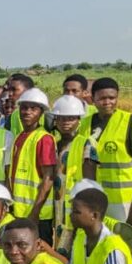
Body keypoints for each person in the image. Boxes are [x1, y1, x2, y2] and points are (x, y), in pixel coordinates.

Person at [78, 78, 132, 224]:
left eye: (112, 98)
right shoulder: (84, 124)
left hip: (123, 202)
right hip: (93, 200)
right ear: (93, 99)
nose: (107, 102)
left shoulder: (130, 122)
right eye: (102, 98)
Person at [9, 88, 56, 245]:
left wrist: (35, 213)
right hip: (20, 212)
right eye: (24, 107)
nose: (27, 112)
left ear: (41, 112)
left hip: (38, 216)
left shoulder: (44, 139)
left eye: (33, 108)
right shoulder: (20, 137)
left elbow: (48, 178)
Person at [53, 95, 97, 228]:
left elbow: (90, 181)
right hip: (59, 208)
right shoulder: (55, 144)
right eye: (61, 118)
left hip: (78, 208)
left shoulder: (86, 143)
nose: (65, 122)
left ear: (79, 120)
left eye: (71, 118)